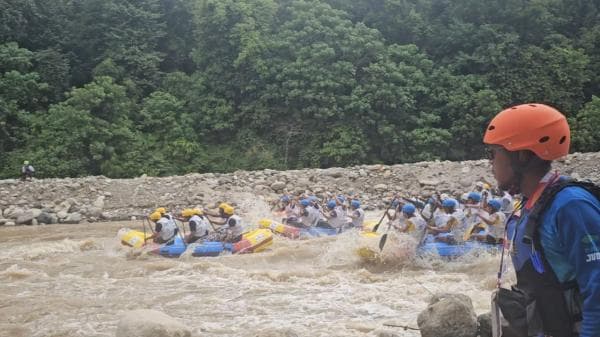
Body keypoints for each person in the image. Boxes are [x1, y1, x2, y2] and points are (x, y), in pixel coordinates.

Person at [484, 103, 600, 337]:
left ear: (523, 156)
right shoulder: (531, 204)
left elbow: (597, 290)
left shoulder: (570, 205)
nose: (490, 164)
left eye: (494, 153)